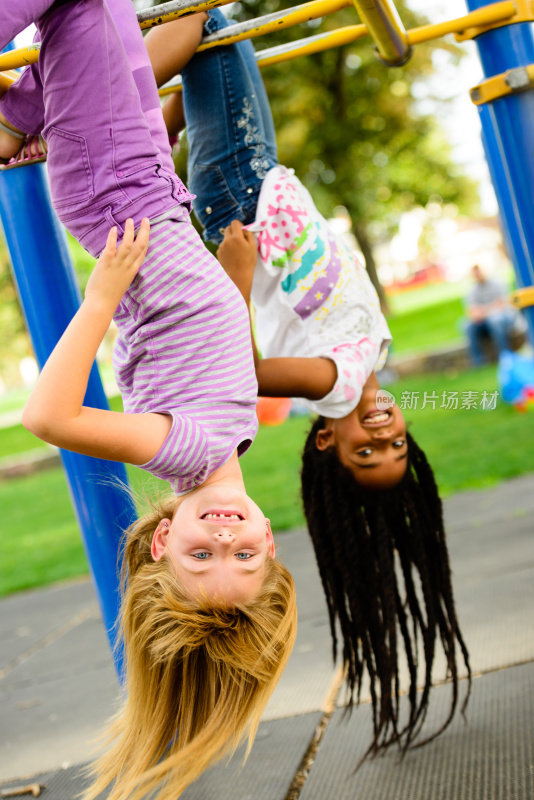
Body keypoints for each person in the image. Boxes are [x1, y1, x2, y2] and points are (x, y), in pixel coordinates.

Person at [144, 8, 471, 757]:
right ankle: (151, 122)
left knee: (212, 22)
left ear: (329, 440)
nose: (385, 434)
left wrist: (235, 279)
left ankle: (113, 101)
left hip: (245, 198)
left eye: (365, 453)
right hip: (255, 191)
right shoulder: (372, 356)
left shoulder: (334, 381)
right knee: (210, 49)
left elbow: (249, 369)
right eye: (396, 448)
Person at [0, 3, 296, 800]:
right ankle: (16, 117)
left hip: (114, 198)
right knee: (108, 32)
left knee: (90, 7)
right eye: (246, 556)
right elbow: (201, 344)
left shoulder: (185, 454)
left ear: (163, 542)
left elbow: (49, 419)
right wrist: (232, 283)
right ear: (274, 547)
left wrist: (99, 298)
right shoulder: (232, 442)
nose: (227, 539)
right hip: (147, 193)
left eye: (204, 555)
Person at [464, 264, 519, 365]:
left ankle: (505, 355)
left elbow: (501, 304)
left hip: (503, 317)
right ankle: (478, 361)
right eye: (474, 275)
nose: (477, 276)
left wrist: (483, 311)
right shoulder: (472, 291)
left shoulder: (497, 284)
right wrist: (488, 309)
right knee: (467, 326)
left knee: (495, 321)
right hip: (484, 320)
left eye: (479, 273)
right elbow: (473, 312)